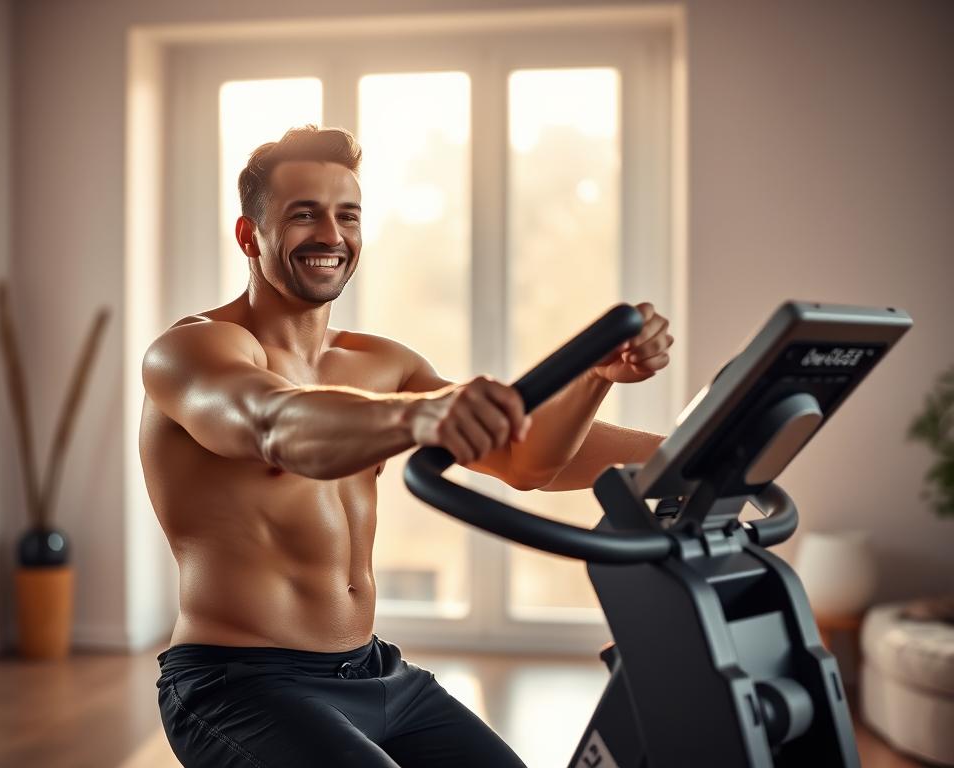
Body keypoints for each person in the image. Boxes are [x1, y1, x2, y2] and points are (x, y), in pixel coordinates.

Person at [141, 124, 674, 767]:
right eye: (304, 215)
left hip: (376, 674)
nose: (331, 236)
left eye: (348, 216)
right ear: (250, 235)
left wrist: (631, 407)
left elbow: (526, 460)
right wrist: (424, 414)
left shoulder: (381, 365)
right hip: (239, 685)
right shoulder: (193, 350)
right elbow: (272, 425)